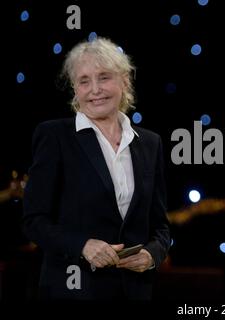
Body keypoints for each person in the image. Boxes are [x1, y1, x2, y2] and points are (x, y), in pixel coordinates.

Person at [23, 37, 170, 300]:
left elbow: (160, 226)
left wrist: (151, 256)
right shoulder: (54, 136)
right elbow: (34, 221)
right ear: (75, 89)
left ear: (125, 80)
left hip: (134, 292)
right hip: (73, 291)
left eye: (104, 78)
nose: (95, 90)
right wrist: (83, 245)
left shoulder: (150, 143)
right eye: (84, 81)